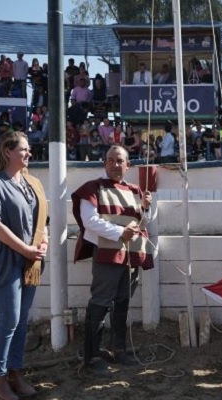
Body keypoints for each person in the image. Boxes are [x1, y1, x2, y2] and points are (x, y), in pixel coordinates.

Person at [71, 145, 154, 374]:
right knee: (100, 302)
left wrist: (146, 208)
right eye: (111, 160)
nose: (115, 164)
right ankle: (92, 356)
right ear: (104, 163)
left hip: (131, 254)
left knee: (122, 302)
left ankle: (119, 350)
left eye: (120, 161)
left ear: (128, 165)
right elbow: (89, 220)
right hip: (107, 253)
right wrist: (119, 233)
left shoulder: (136, 190)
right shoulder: (93, 188)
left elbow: (142, 222)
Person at [0, 131, 48, 400]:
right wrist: (26, 249)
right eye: (23, 149)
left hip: (30, 262)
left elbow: (42, 220)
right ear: (7, 151)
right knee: (9, 321)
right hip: (5, 262)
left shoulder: (31, 183)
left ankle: (15, 374)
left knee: (21, 322)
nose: (29, 154)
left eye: (29, 150)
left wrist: (43, 243)